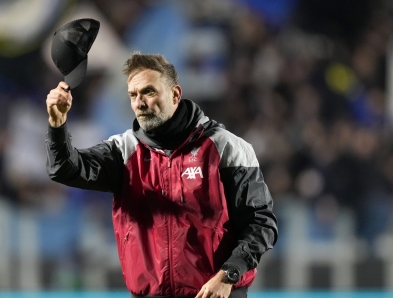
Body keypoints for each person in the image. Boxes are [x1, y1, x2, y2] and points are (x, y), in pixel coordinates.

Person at [45, 52, 278, 298]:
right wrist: (57, 126)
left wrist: (228, 275)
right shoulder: (123, 152)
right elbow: (65, 169)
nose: (139, 103)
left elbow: (261, 223)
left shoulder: (227, 147)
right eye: (133, 95)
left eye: (148, 92)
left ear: (175, 94)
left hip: (217, 293)